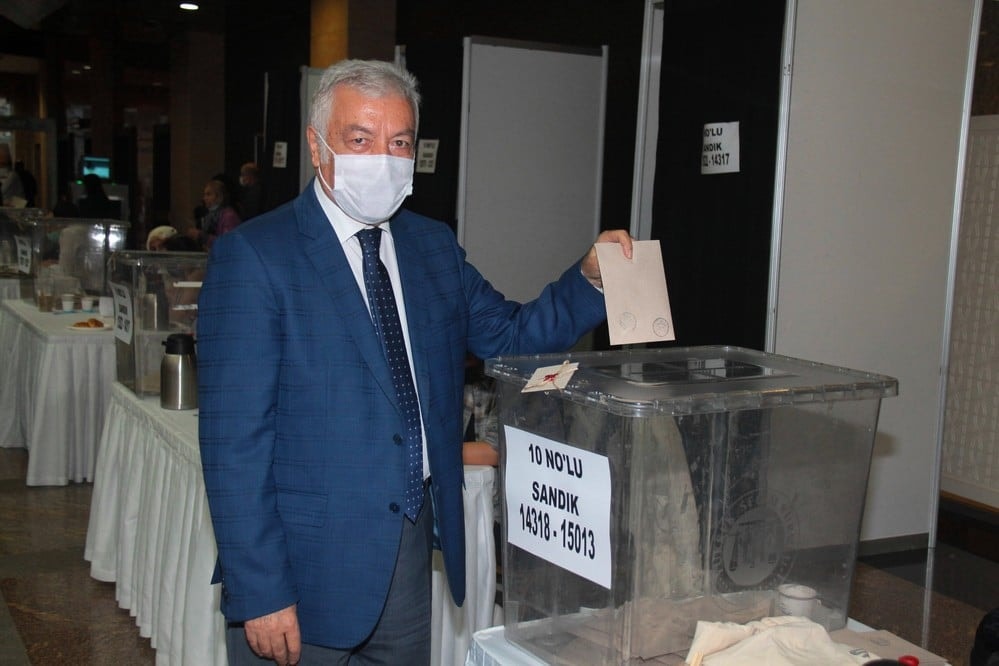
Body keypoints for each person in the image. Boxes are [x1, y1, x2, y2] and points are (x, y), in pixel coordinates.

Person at [197, 58, 632, 666]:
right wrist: (261, 590)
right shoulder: (255, 258)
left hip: (406, 560)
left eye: (399, 142)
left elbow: (510, 337)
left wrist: (590, 280)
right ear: (318, 147)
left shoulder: (431, 247)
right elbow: (233, 445)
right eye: (360, 139)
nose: (383, 158)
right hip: (301, 573)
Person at [190, 178, 241, 249]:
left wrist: (202, 236)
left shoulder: (229, 216)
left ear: (219, 197)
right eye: (204, 195)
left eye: (208, 194)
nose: (204, 198)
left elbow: (227, 243)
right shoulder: (211, 216)